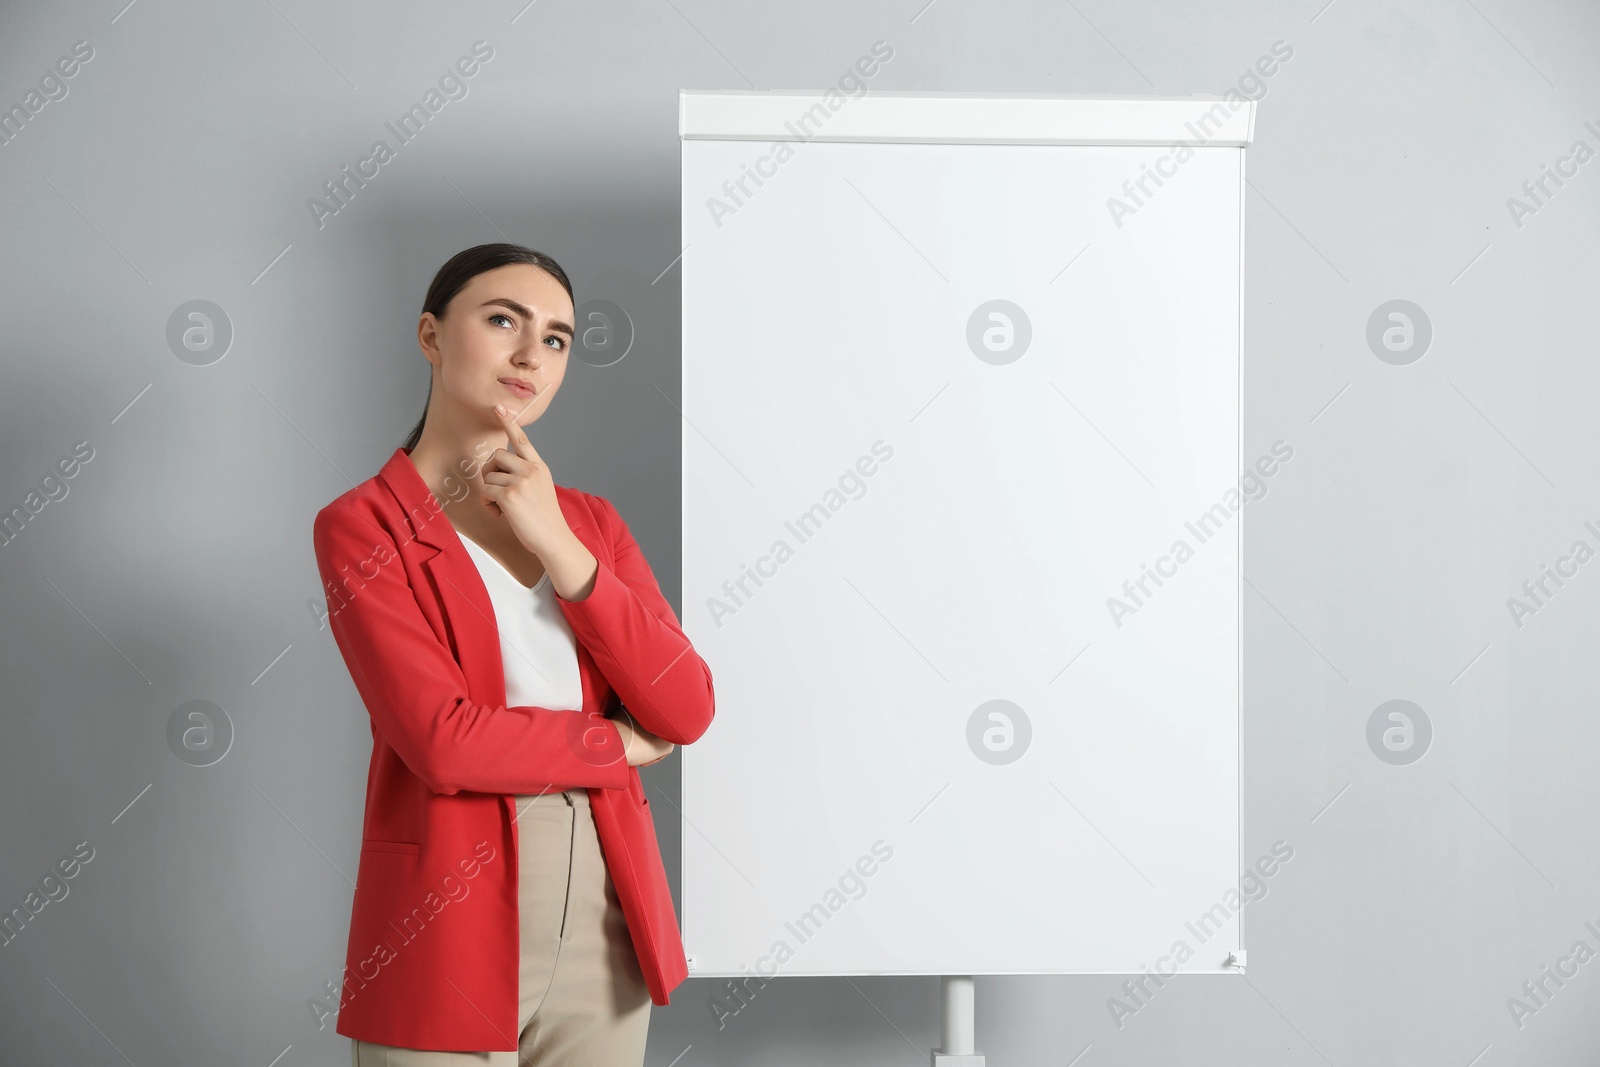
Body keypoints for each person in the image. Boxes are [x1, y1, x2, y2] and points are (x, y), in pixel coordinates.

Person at [311, 242, 715, 1065]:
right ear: (430, 334)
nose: (533, 355)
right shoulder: (362, 525)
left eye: (559, 338)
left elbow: (686, 706)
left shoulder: (589, 522)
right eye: (504, 321)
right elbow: (443, 741)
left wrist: (558, 545)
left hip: (606, 914)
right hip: (447, 912)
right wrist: (614, 744)